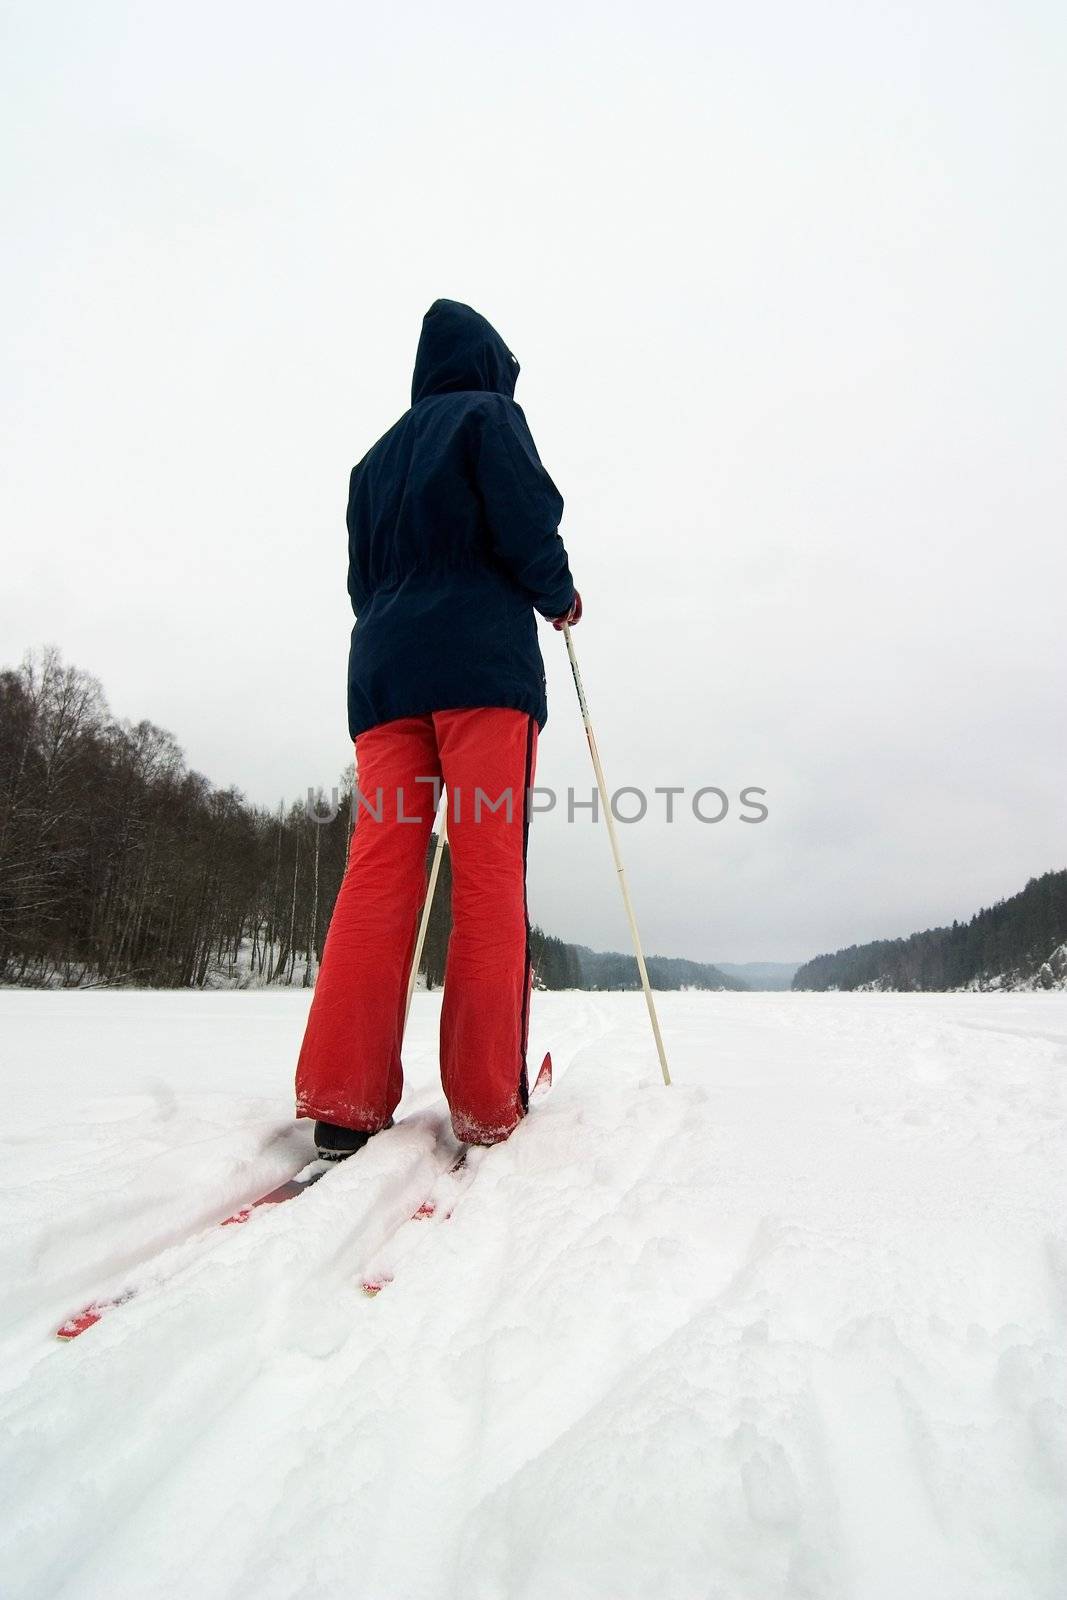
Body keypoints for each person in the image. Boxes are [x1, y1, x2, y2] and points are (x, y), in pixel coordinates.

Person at [295, 299, 581, 1159]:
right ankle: (486, 1101)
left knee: (380, 868)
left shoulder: (370, 464)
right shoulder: (491, 416)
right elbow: (525, 521)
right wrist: (558, 595)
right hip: (481, 674)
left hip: (384, 677)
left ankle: (343, 1099)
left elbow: (361, 581)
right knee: (489, 867)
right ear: (490, 365)